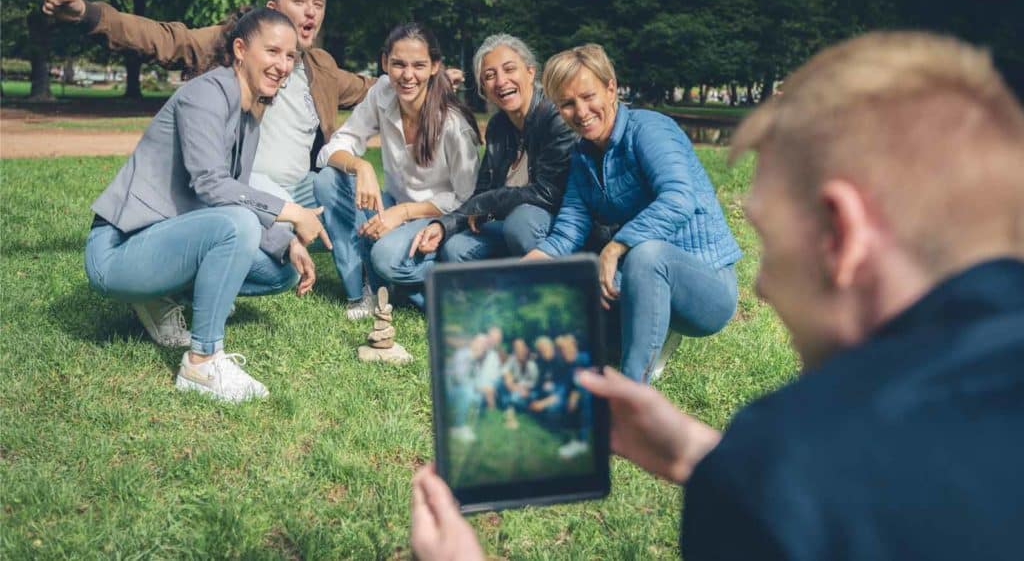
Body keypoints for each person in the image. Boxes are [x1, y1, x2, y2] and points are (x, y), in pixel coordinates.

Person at [410, 31, 1024, 560]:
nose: (762, 280)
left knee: (644, 254)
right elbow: (568, 226)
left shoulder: (787, 471)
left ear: (843, 232)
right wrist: (698, 455)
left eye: (773, 244)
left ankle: (641, 367)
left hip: (679, 275)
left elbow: (801, 491)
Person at [42, 0, 462, 324]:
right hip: (243, 187)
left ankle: (365, 283)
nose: (311, 10)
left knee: (332, 178)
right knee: (257, 211)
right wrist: (89, 15)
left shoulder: (320, 66)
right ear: (272, 10)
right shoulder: (232, 46)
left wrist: (431, 78)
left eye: (318, 3)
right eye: (300, 0)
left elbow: (376, 85)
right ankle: (175, 282)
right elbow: (162, 38)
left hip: (298, 187)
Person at [84, 8, 331, 402]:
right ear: (240, 49)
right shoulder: (205, 94)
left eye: (290, 57)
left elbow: (239, 189)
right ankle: (201, 363)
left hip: (166, 237)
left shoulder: (251, 114)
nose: (282, 65)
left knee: (279, 272)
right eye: (272, 52)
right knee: (238, 226)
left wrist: (287, 242)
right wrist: (295, 212)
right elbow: (213, 185)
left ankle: (157, 298)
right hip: (116, 251)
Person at [525, 44, 742, 383]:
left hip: (707, 287)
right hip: (641, 280)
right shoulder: (583, 156)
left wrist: (616, 246)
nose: (581, 111)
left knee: (646, 254)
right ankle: (650, 333)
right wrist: (524, 266)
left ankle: (630, 392)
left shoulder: (650, 129)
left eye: (588, 96)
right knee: (589, 342)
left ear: (611, 89)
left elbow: (679, 198)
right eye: (567, 103)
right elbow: (570, 225)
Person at [313, 22, 480, 316]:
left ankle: (436, 282)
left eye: (418, 65)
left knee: (385, 257)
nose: (407, 75)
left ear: (434, 66)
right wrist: (360, 165)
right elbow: (335, 147)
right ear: (384, 63)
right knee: (328, 180)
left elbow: (467, 199)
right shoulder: (382, 92)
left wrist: (403, 214)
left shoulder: (454, 124)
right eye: (398, 64)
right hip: (392, 204)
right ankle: (361, 290)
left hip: (436, 218)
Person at [408, 34, 576, 263]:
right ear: (483, 88)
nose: (501, 81)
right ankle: (502, 290)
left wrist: (489, 203)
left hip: (554, 224)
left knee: (521, 223)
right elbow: (483, 191)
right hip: (507, 224)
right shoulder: (498, 126)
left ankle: (552, 289)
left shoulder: (554, 117)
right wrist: (444, 225)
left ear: (530, 72)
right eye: (490, 75)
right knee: (456, 248)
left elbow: (549, 193)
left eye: (509, 69)